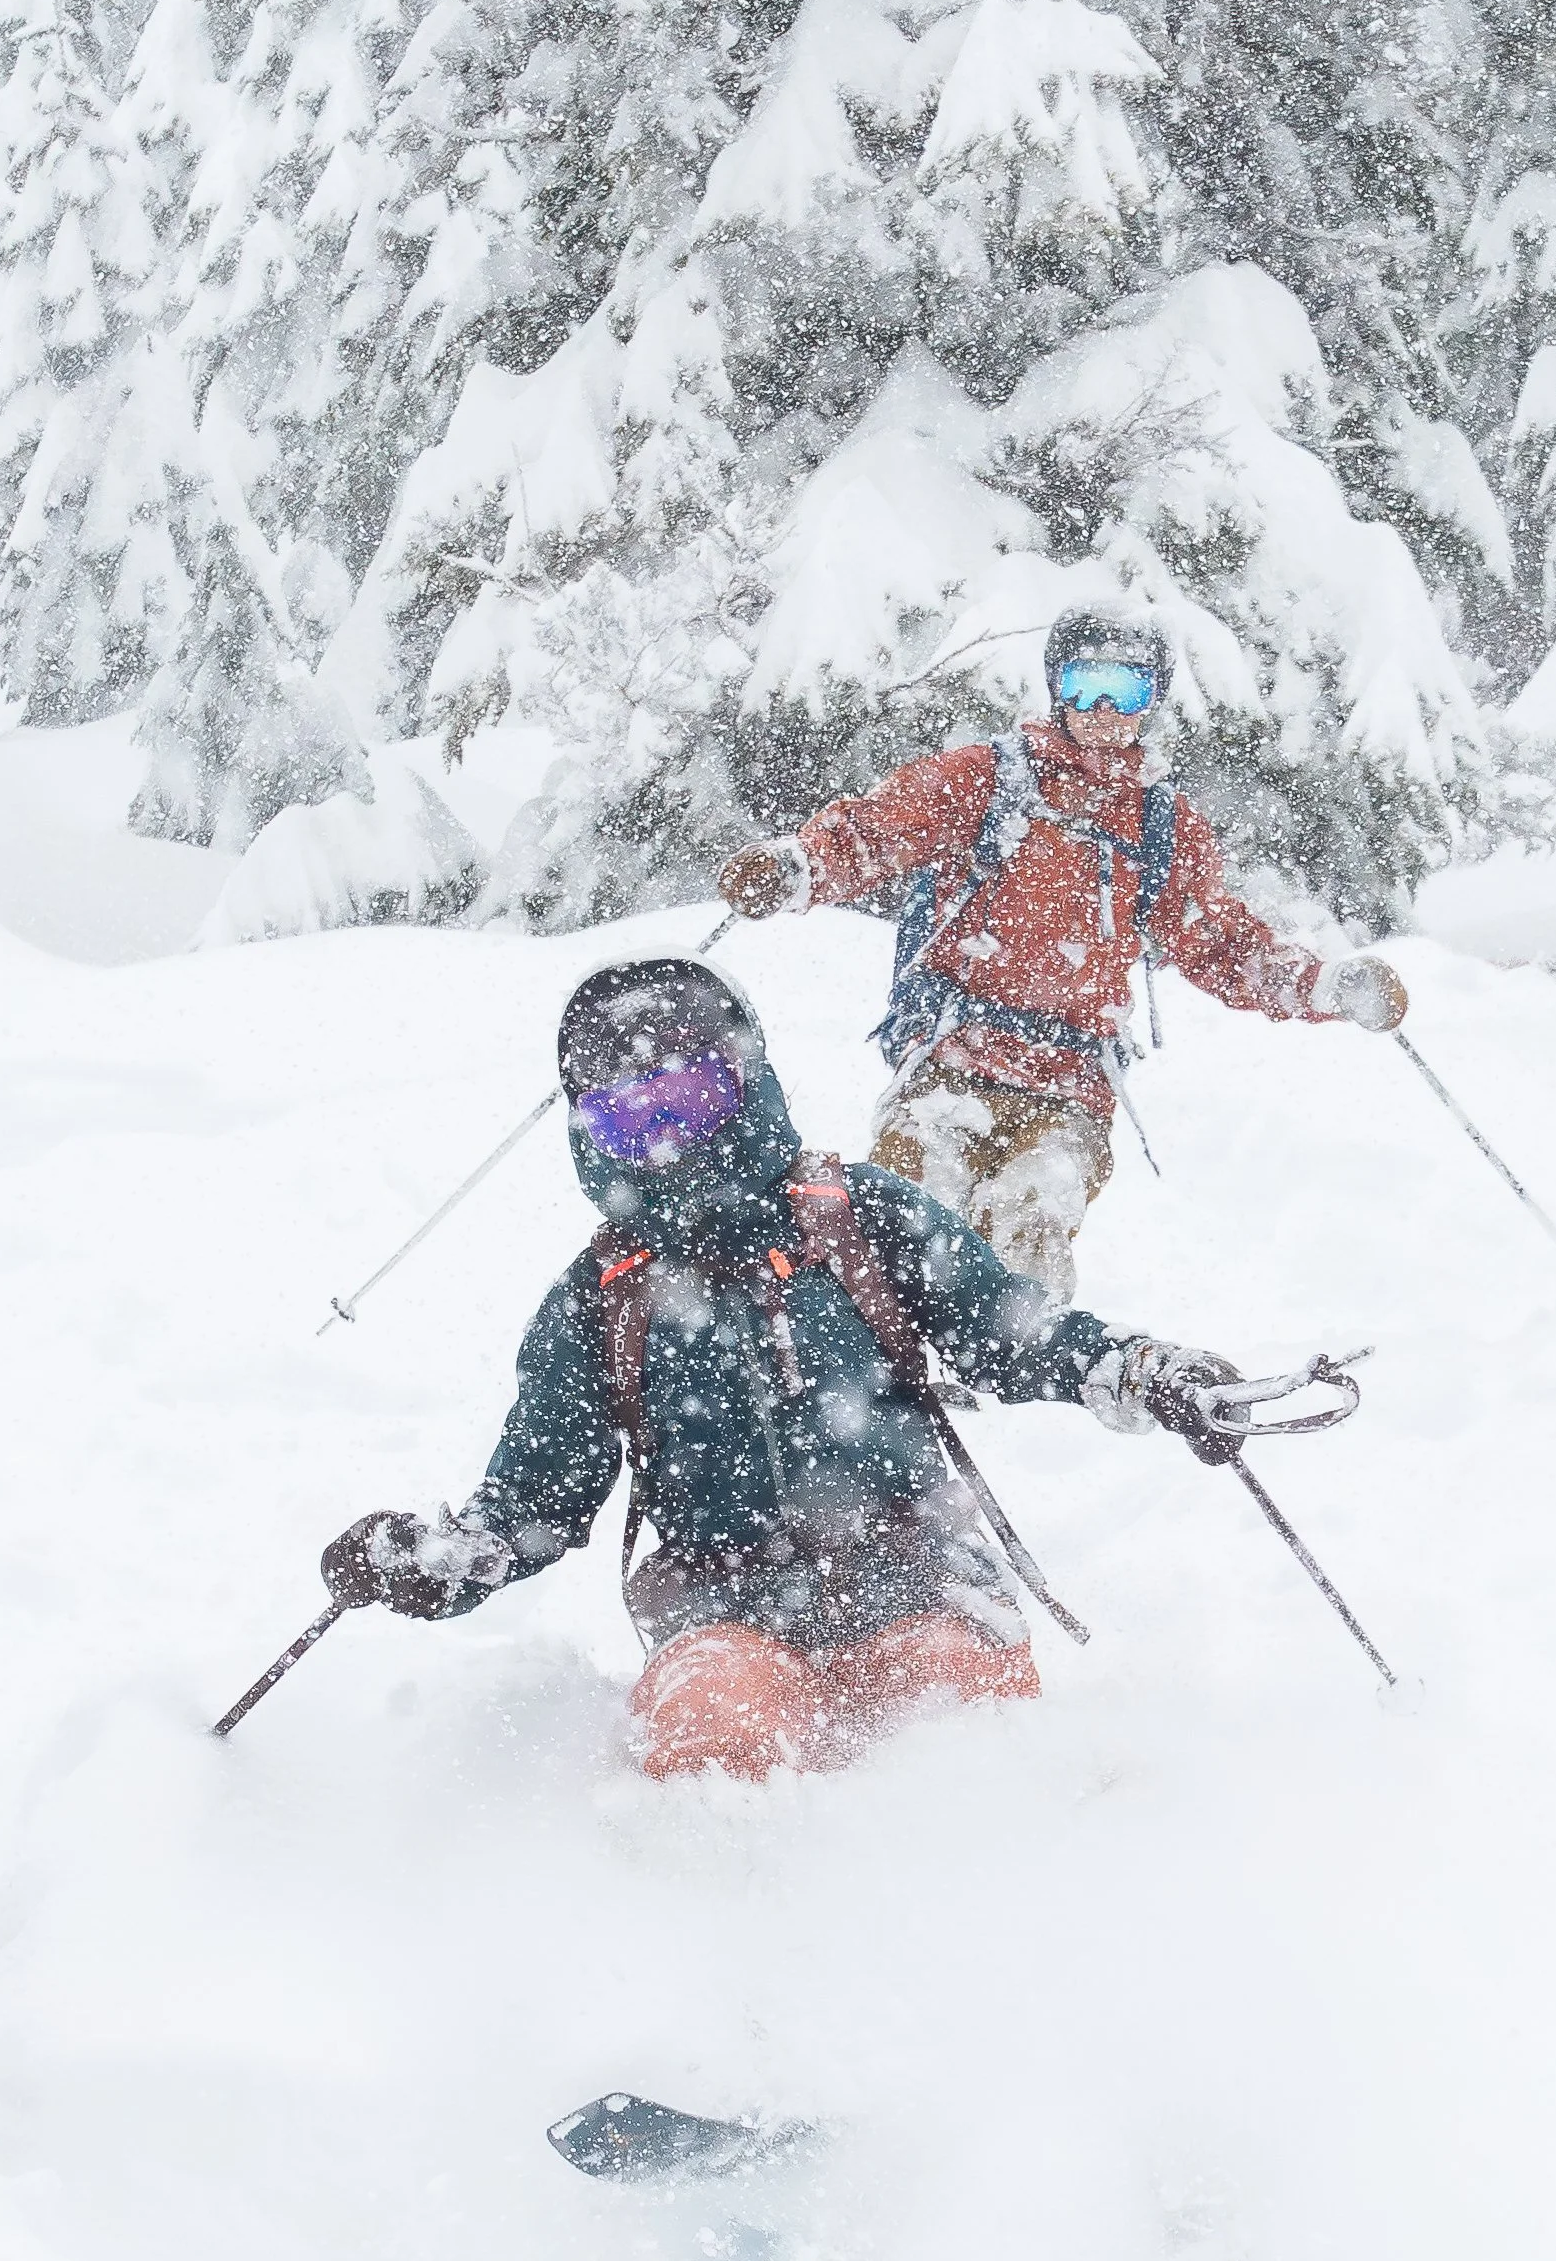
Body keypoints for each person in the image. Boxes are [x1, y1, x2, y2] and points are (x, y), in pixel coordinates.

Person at [319, 956, 1262, 1783]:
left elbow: (1010, 1330)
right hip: (722, 1603)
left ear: (743, 1082)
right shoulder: (599, 1300)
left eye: (686, 1097)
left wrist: (1138, 1371)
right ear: (589, 1134)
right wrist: (439, 1563)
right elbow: (535, 1499)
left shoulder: (856, 1214)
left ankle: (997, 1914)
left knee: (961, 1707)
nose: (665, 1138)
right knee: (707, 1729)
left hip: (918, 1567)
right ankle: (736, 1949)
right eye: (624, 1116)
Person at [717, 606, 1409, 1297]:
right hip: (954, 1060)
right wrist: (798, 866)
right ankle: (894, 1372)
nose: (1105, 709)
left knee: (1032, 1232)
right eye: (1086, 686)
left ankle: (1017, 1378)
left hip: (1071, 1087)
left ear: (1153, 699)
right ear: (1057, 688)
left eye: (1128, 689)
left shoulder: (1160, 824)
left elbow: (1220, 941)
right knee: (910, 1221)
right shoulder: (988, 780)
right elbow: (879, 829)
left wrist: (1321, 987)